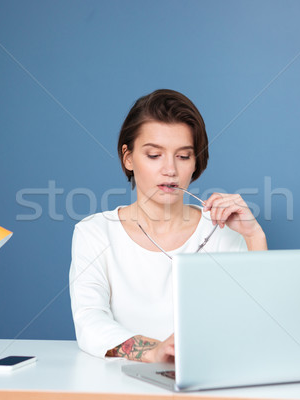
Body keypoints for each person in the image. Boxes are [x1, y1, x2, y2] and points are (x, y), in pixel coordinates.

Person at [69, 89, 267, 362]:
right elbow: (90, 321)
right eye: (154, 155)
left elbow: (259, 324)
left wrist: (254, 237)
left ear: (195, 161)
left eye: (183, 156)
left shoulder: (224, 229)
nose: (170, 170)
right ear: (128, 157)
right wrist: (154, 351)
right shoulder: (94, 232)